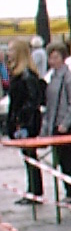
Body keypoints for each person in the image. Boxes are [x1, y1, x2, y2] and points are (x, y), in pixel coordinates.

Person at [41, 38, 71, 205]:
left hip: (65, 127)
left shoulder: (68, 77)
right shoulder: (53, 78)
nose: (53, 61)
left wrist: (65, 123)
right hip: (55, 125)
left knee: (69, 161)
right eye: (50, 58)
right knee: (61, 161)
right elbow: (50, 105)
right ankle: (68, 191)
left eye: (56, 57)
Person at [5, 37, 45, 202]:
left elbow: (31, 100)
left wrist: (20, 119)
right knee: (28, 157)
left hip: (26, 123)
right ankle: (33, 190)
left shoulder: (26, 75)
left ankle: (35, 191)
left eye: (12, 49)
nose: (8, 53)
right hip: (22, 121)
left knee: (30, 156)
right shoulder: (18, 74)